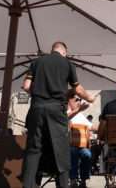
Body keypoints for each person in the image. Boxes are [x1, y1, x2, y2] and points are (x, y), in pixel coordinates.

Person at [21, 42, 95, 188]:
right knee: (60, 151)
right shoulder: (67, 64)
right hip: (56, 110)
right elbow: (78, 90)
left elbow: (26, 86)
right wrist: (90, 98)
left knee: (34, 150)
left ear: (52, 50)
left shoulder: (36, 62)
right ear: (64, 52)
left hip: (36, 108)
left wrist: (39, 95)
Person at [67, 89, 93, 188]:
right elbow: (65, 118)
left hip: (82, 145)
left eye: (79, 99)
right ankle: (73, 180)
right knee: (73, 151)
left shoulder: (80, 115)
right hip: (69, 144)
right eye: (76, 99)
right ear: (69, 101)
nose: (79, 101)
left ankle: (83, 180)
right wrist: (79, 110)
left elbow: (91, 126)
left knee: (87, 155)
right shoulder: (67, 111)